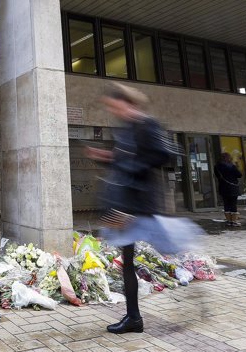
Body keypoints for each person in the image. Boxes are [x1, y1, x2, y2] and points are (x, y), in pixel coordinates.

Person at [86, 83, 171, 335]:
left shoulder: (147, 125)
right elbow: (123, 163)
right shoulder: (126, 130)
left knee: (165, 247)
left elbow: (163, 155)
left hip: (141, 203)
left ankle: (135, 317)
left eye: (115, 106)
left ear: (127, 102)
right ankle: (133, 317)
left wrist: (130, 164)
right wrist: (107, 157)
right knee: (127, 260)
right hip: (126, 204)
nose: (114, 111)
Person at [214, 152, 242, 226]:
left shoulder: (217, 166)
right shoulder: (232, 166)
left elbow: (217, 176)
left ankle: (229, 221)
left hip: (223, 187)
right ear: (229, 158)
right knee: (233, 204)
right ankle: (234, 221)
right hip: (232, 188)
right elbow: (239, 175)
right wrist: (236, 167)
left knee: (226, 204)